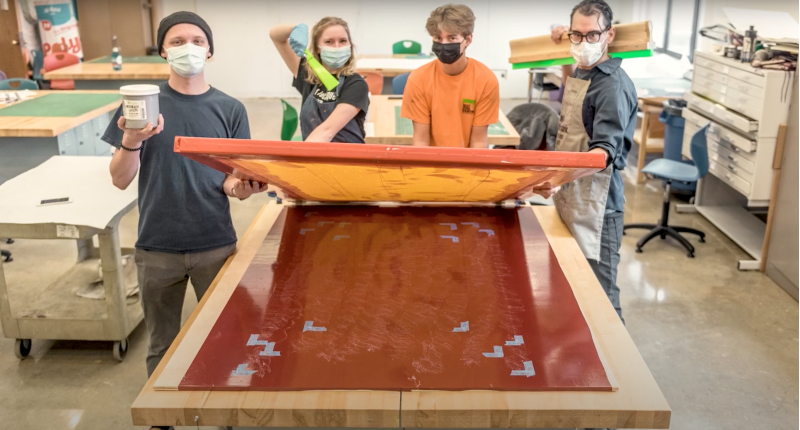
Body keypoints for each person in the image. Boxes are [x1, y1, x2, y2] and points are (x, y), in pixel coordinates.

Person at [103, 11, 265, 417]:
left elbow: (231, 180)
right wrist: (132, 141)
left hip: (215, 243)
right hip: (157, 247)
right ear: (162, 50)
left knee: (224, 337)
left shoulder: (229, 109)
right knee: (162, 344)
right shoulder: (140, 104)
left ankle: (222, 412)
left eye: (196, 39)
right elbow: (120, 179)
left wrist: (242, 187)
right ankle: (164, 417)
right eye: (176, 41)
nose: (187, 47)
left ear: (210, 50)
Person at [535, 0, 637, 328]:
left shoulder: (613, 86)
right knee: (571, 284)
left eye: (592, 34)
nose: (584, 43)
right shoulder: (584, 70)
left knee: (602, 295)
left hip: (599, 207)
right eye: (576, 35)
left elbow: (603, 153)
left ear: (609, 35)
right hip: (573, 196)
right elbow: (575, 97)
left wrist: (557, 177)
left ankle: (621, 372)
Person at [401, 4, 500, 148]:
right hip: (431, 164)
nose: (444, 44)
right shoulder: (419, 79)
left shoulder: (485, 80)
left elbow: (478, 141)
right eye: (438, 38)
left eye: (452, 38)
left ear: (468, 40)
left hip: (467, 163)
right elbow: (421, 141)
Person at [270, 17, 369, 143]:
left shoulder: (356, 84)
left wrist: (302, 155)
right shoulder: (306, 75)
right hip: (314, 153)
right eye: (329, 42)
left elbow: (327, 131)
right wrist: (296, 28)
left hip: (348, 159)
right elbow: (275, 35)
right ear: (317, 48)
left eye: (343, 41)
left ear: (349, 45)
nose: (337, 47)